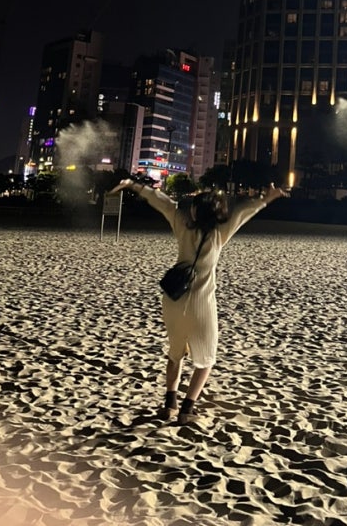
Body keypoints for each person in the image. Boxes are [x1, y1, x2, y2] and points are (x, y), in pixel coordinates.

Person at [107, 176, 290, 424]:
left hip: (173, 300)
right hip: (201, 304)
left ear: (194, 211)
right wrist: (266, 198)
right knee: (206, 360)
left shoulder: (182, 226)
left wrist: (134, 185)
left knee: (175, 354)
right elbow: (242, 214)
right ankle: (187, 408)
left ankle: (170, 403)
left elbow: (162, 202)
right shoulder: (219, 234)